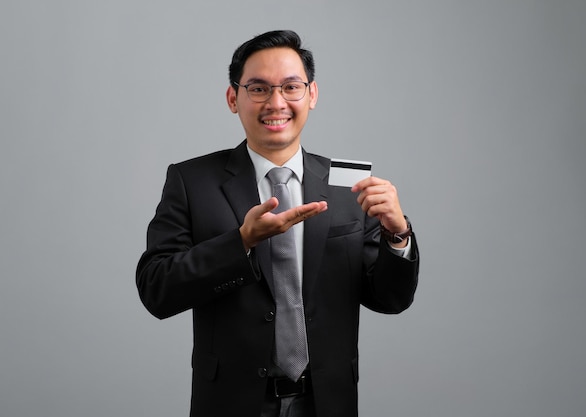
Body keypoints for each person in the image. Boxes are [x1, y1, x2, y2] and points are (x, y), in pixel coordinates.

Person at [136, 30, 419, 417]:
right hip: (232, 403)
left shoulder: (347, 186)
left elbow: (390, 298)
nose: (276, 103)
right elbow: (156, 290)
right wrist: (241, 243)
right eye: (258, 88)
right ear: (233, 98)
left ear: (312, 95)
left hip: (327, 402)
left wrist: (397, 235)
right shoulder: (191, 181)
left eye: (291, 87)